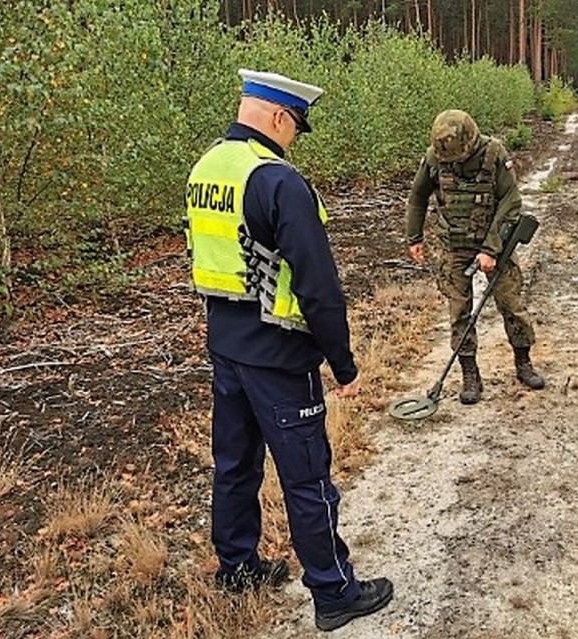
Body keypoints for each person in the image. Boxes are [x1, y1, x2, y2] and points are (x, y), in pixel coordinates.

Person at [184, 69, 393, 632]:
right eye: (296, 127)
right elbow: (318, 286)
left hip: (226, 350)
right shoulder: (277, 180)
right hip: (278, 358)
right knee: (306, 477)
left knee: (234, 465)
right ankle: (333, 591)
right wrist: (343, 363)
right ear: (279, 117)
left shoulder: (207, 168)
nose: (294, 138)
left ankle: (237, 567)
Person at [405, 109, 545, 404]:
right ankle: (470, 374)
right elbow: (418, 196)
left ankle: (523, 362)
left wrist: (491, 248)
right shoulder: (434, 157)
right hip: (454, 246)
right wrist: (414, 237)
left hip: (495, 243)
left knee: (511, 304)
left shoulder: (494, 153)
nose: (454, 162)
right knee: (459, 313)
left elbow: (511, 200)